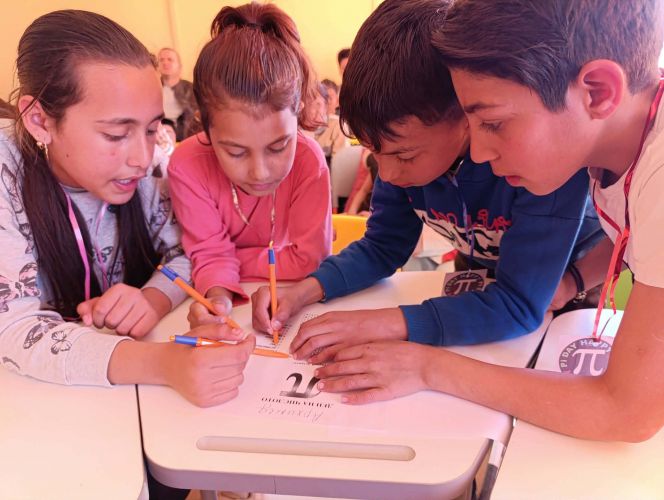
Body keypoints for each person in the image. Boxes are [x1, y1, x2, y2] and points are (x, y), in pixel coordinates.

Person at [322, 0, 664, 442]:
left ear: (597, 92)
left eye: (493, 123)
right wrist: (575, 280)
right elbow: (635, 233)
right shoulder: (610, 144)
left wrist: (427, 366)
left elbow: (626, 412)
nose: (479, 153)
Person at [252, 0, 603, 361]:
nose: (388, 174)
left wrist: (383, 323)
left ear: (465, 114)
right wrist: (306, 290)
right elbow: (383, 246)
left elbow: (518, 305)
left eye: (405, 156)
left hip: (567, 284)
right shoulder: (403, 153)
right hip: (482, 276)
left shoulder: (531, 166)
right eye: (375, 152)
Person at [0, 11, 253, 411]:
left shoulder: (154, 163)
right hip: (43, 410)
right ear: (39, 120)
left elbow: (190, 251)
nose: (142, 158)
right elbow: (13, 328)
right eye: (116, 134)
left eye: (152, 129)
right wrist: (164, 364)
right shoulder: (6, 174)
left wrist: (153, 299)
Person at [168, 3, 332, 330]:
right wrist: (218, 298)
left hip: (287, 294)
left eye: (278, 146)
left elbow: (310, 259)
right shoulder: (186, 164)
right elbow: (210, 252)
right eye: (235, 152)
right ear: (206, 127)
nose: (260, 172)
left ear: (298, 111)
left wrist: (219, 260)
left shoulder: (308, 160)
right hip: (236, 295)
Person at [157, 47, 201, 141]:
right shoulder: (152, 89)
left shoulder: (192, 89)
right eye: (161, 60)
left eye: (170, 59)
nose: (165, 63)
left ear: (179, 66)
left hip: (187, 139)